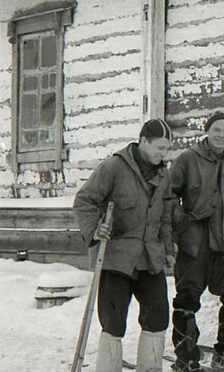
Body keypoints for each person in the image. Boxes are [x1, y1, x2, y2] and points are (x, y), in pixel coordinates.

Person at [72, 119, 175, 372]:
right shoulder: (113, 167)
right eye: (159, 148)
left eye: (166, 149)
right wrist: (95, 229)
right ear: (143, 142)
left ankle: (150, 369)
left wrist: (168, 249)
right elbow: (84, 200)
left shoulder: (162, 174)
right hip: (116, 258)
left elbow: (164, 216)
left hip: (149, 257)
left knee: (158, 316)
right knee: (113, 322)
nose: (163, 154)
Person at [169, 112, 224, 372]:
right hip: (196, 238)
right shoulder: (188, 159)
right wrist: (183, 223)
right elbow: (168, 196)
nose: (221, 135)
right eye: (217, 129)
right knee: (188, 296)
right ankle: (186, 357)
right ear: (207, 130)